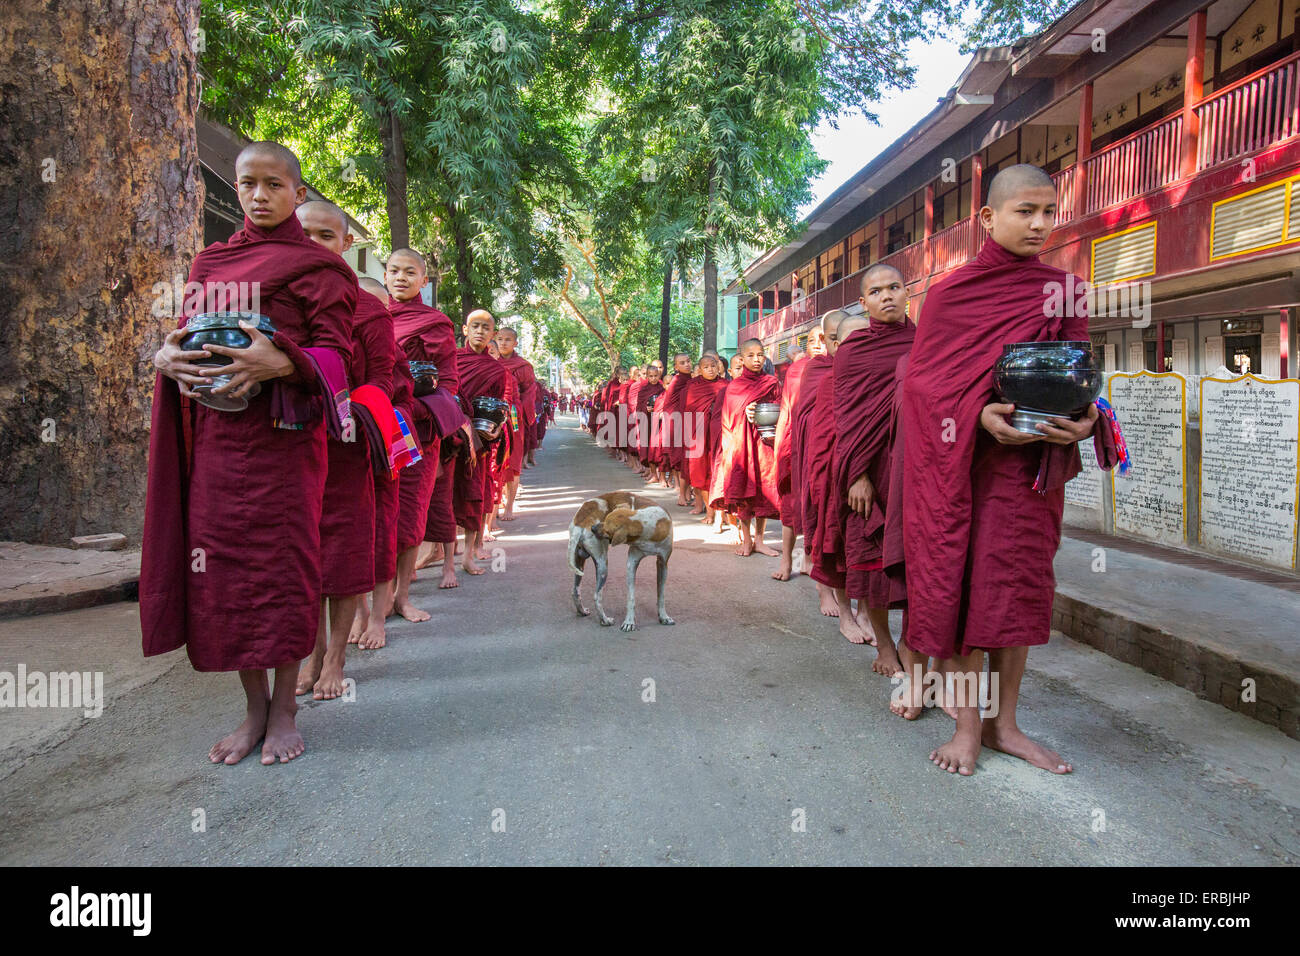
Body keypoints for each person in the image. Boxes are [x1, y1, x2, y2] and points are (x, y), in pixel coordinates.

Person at [142, 141, 356, 765]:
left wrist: (284, 360)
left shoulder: (320, 269)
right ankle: (253, 708)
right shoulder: (211, 262)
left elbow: (338, 356)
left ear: (298, 192)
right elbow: (186, 337)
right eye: (246, 184)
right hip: (215, 439)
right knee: (226, 573)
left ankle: (286, 707)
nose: (258, 196)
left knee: (284, 568)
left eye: (272, 185)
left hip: (283, 443)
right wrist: (164, 356)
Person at [898, 164, 1109, 775]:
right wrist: (978, 413)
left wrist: (1087, 418)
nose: (1041, 223)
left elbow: (1077, 373)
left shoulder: (1066, 291)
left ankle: (1005, 725)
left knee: (1013, 594)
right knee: (962, 593)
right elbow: (925, 386)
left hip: (1029, 472)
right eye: (1026, 211)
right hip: (965, 471)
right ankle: (966, 728)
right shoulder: (950, 293)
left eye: (1050, 211)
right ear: (987, 218)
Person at [292, 201, 393, 698]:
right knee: (299, 554)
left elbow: (383, 381)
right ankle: (307, 656)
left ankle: (335, 657)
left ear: (347, 244)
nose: (313, 244)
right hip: (287, 442)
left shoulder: (369, 308)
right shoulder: (276, 296)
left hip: (345, 445)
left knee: (343, 553)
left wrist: (343, 407)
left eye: (326, 237)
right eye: (304, 233)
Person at [833, 265, 916, 683]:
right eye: (876, 291)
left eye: (894, 287)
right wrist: (855, 475)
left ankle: (911, 643)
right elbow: (845, 416)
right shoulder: (853, 350)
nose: (887, 296)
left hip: (916, 467)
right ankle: (885, 642)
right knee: (873, 559)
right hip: (869, 471)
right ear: (863, 303)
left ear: (907, 293)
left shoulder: (925, 342)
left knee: (920, 560)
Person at [793, 310, 871, 644]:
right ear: (832, 343)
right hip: (831, 470)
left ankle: (865, 610)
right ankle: (841, 608)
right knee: (832, 536)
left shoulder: (877, 373)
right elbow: (814, 425)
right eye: (844, 340)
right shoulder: (824, 376)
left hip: (871, 473)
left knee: (867, 541)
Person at [387, 249, 461, 600]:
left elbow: (447, 381)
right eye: (394, 271)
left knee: (410, 507)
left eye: (409, 272)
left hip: (418, 428)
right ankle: (378, 595)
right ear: (385, 275)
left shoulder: (434, 322)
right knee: (376, 510)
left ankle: (400, 594)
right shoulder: (371, 314)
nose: (401, 277)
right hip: (374, 423)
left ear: (423, 281)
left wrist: (419, 411)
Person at [709, 338, 781, 557]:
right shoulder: (735, 387)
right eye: (750, 356)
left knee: (764, 492)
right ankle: (747, 539)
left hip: (764, 444)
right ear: (742, 358)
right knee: (744, 491)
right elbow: (728, 419)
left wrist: (763, 412)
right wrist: (745, 412)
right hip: (741, 447)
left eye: (760, 355)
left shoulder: (771, 382)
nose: (756, 359)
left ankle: (760, 540)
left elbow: (780, 407)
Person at [453, 309, 511, 574]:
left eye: (485, 328)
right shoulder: (452, 359)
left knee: (473, 495)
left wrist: (495, 432)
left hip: (479, 440)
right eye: (474, 326)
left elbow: (498, 406)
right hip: (451, 434)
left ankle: (467, 555)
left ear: (493, 334)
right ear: (465, 329)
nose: (479, 331)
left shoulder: (496, 370)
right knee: (443, 497)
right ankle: (445, 564)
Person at [771, 335, 815, 581]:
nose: (818, 343)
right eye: (813, 340)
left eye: (824, 338)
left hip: (824, 444)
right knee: (792, 503)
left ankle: (808, 559)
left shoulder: (841, 364)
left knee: (817, 505)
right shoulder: (797, 370)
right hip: (797, 442)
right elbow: (787, 406)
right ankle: (786, 560)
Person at [494, 327, 537, 522]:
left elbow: (529, 393)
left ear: (515, 343)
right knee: (495, 461)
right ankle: (498, 500)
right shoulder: (490, 360)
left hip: (513, 415)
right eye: (500, 339)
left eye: (508, 340)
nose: (503, 343)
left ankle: (509, 506)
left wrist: (523, 415)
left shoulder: (523, 366)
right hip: (491, 414)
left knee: (513, 460)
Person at [683, 354, 727, 519]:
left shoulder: (725, 385)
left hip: (719, 435)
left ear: (718, 367)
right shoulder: (694, 386)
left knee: (718, 471)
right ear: (700, 370)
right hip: (699, 435)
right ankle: (709, 512)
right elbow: (689, 411)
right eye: (706, 367)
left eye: (713, 366)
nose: (710, 369)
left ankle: (721, 514)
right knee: (700, 472)